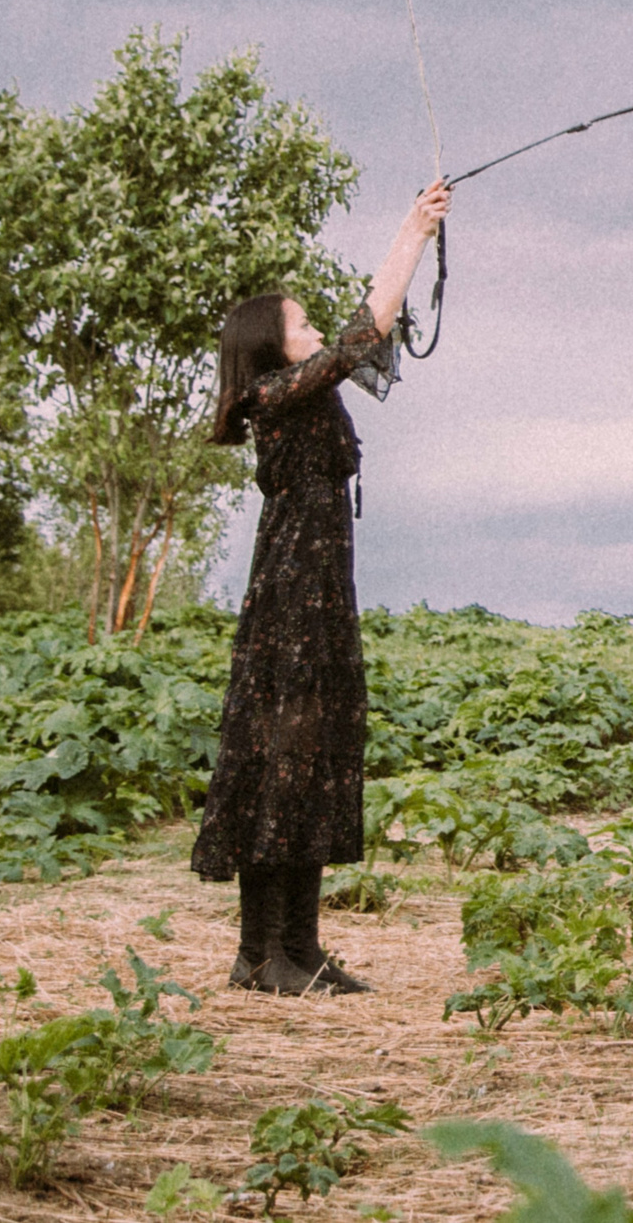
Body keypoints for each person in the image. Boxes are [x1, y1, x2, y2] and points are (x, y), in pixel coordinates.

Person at [193, 180, 451, 994]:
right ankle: (259, 953)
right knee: (281, 761)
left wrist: (417, 233)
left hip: (320, 595)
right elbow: (364, 328)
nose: (313, 332)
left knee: (309, 762)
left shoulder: (304, 396)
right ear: (271, 349)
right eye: (300, 325)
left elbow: (361, 334)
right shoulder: (274, 396)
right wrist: (412, 228)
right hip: (289, 602)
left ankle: (298, 950)